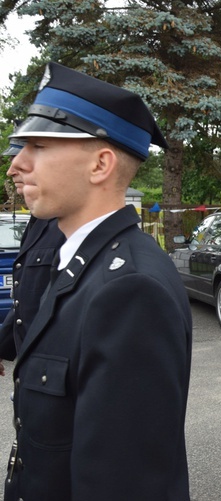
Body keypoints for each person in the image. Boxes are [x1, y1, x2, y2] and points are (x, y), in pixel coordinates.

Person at [5, 62, 192, 500]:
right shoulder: (80, 264)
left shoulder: (129, 290)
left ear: (100, 164)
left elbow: (123, 483)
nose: (17, 164)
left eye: (38, 145)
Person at [0, 138, 66, 368]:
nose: (11, 171)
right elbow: (27, 299)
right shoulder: (39, 219)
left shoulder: (71, 224)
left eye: (23, 160)